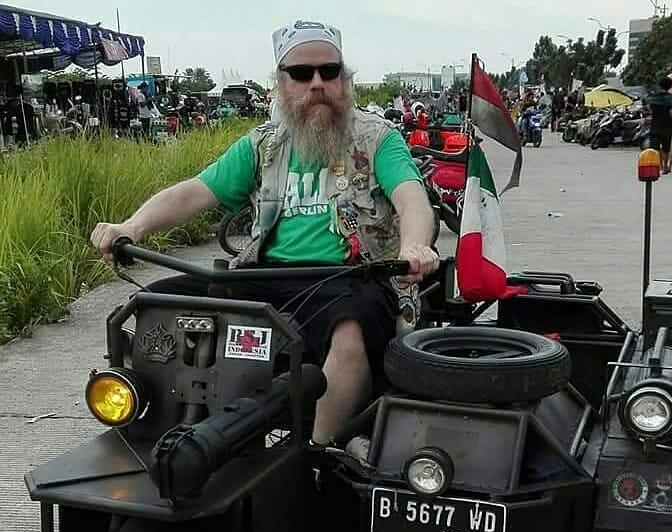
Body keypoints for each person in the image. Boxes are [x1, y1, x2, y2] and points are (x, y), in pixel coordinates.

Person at [90, 19, 437, 447]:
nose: (316, 84)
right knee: (159, 302)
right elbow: (194, 192)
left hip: (349, 276)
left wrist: (414, 245)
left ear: (344, 80)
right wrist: (132, 226)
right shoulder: (262, 145)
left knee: (349, 334)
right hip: (266, 274)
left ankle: (314, 456)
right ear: (281, 83)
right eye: (301, 73)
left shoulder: (377, 139)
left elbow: (410, 196)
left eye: (329, 72)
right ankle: (166, 432)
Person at [646, 76, 672, 174]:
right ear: (669, 86)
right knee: (666, 147)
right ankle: (665, 166)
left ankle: (659, 166)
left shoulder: (653, 97)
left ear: (659, 85)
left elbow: (649, 109)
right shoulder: (671, 98)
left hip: (655, 124)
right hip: (667, 124)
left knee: (655, 147)